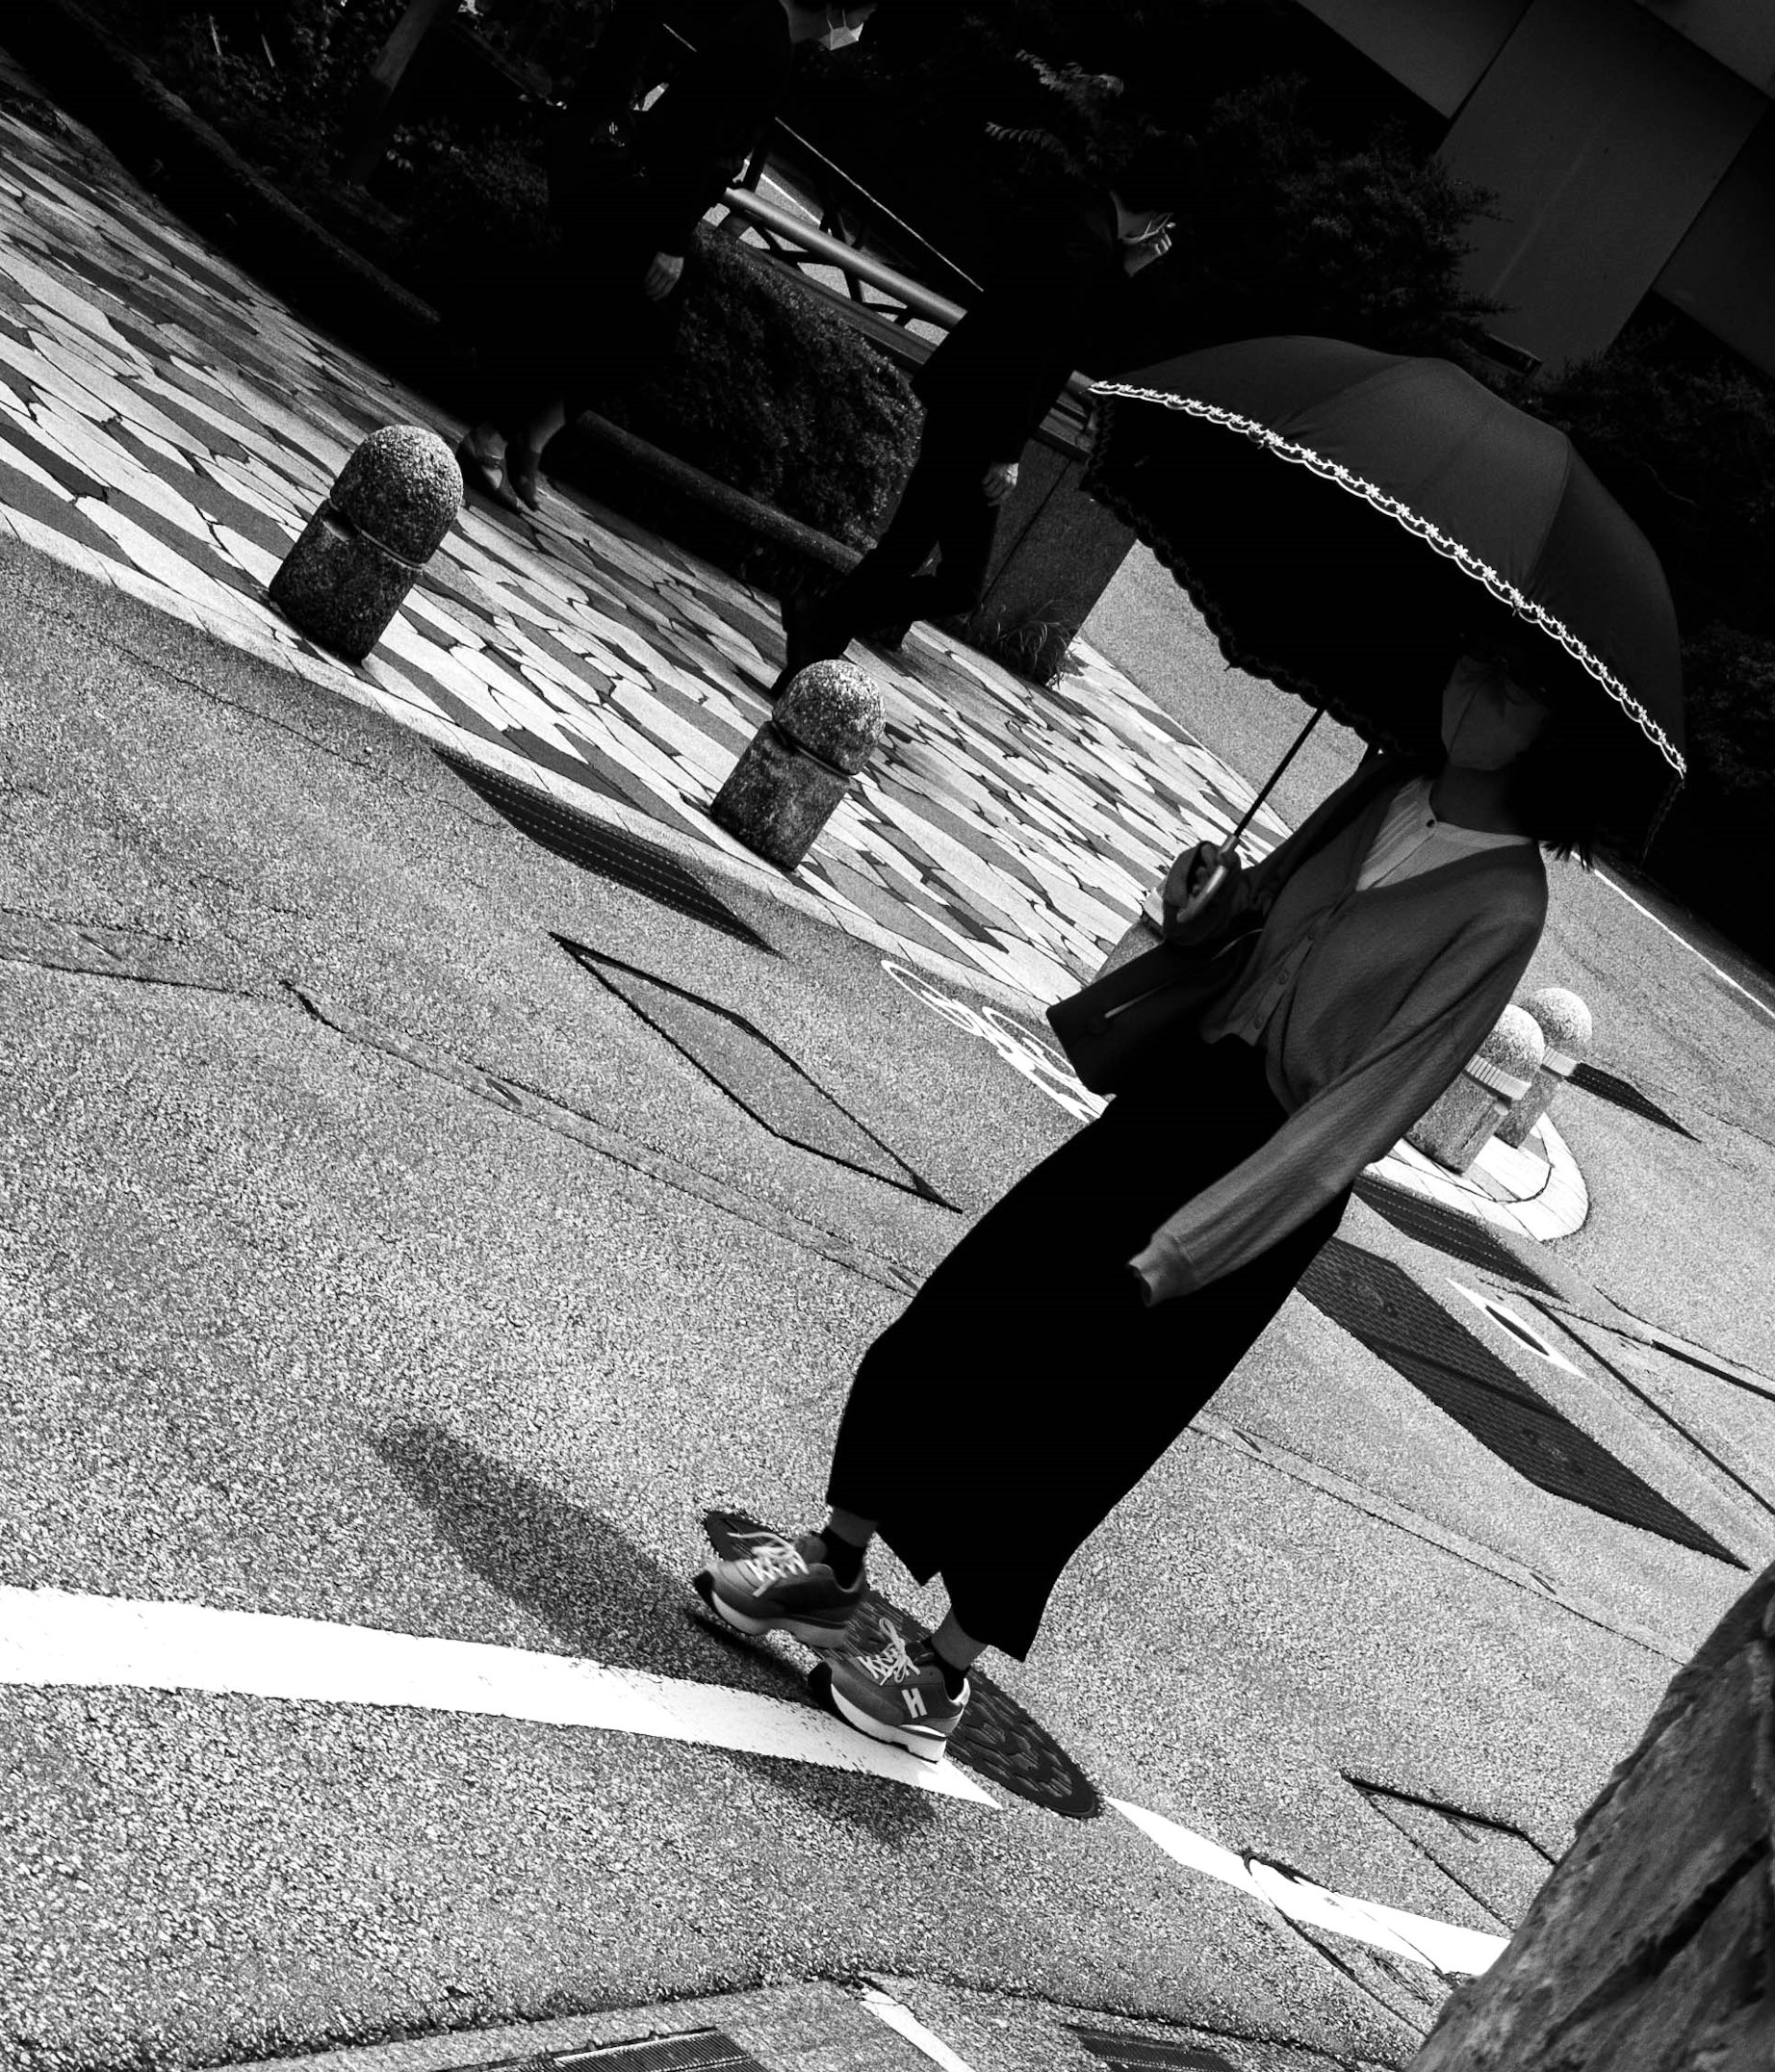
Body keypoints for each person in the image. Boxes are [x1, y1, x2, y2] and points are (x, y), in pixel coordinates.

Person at [691, 645, 1562, 1748]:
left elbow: (1364, 1113)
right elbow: (1251, 937)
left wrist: (1190, 1250)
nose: (1476, 688)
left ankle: (946, 1671)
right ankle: (835, 1558)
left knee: (1082, 1417)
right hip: (1178, 1100)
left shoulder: (1505, 905)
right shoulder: (1384, 784)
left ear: (1556, 742)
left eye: (1519, 690)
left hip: (1263, 1178)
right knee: (973, 1306)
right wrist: (1204, 911)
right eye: (1481, 666)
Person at [790, 65, 1171, 667]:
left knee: (923, 556)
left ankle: (822, 624)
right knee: (942, 571)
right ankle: (822, 621)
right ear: (1157, 218)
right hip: (980, 418)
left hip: (967, 402)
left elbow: (1057, 325)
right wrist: (1007, 450)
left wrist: (1124, 272)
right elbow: (1035, 351)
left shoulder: (1082, 223)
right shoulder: (1085, 244)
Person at [462, 0, 869, 527]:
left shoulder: (770, 32)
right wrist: (672, 238)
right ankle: (497, 436)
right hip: (654, 203)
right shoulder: (764, 38)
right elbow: (698, 136)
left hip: (656, 199)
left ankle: (527, 436)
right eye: (864, 15)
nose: (859, 30)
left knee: (625, 329)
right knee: (599, 323)